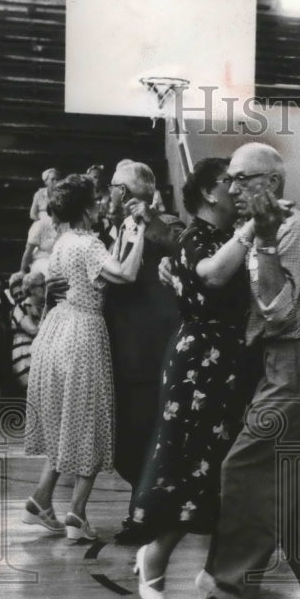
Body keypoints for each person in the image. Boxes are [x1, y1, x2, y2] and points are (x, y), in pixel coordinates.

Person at [175, 142, 300, 599]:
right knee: (298, 486)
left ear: (271, 183)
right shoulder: (278, 228)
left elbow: (277, 309)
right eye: (229, 179)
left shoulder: (292, 229)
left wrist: (266, 242)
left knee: (245, 468)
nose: (230, 187)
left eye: (240, 178)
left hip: (297, 359)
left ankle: (231, 595)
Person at [129, 158, 261, 599]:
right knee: (191, 462)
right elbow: (213, 275)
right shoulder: (196, 238)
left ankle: (214, 570)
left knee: (224, 467)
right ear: (208, 192)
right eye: (231, 182)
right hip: (199, 362)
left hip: (230, 359)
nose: (237, 190)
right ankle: (155, 556)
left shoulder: (226, 237)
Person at [22, 175, 147, 540]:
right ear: (88, 208)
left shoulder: (62, 241)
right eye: (97, 200)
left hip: (55, 330)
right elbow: (126, 273)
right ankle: (76, 513)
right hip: (82, 332)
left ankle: (40, 500)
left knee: (66, 422)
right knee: (89, 420)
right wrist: (137, 229)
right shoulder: (88, 244)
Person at [103, 161, 184, 544]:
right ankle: (144, 507)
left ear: (134, 191)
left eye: (117, 186)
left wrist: (149, 217)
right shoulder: (118, 226)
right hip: (122, 342)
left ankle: (146, 513)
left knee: (144, 431)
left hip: (149, 346)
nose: (111, 192)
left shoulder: (165, 223)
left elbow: (180, 248)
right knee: (128, 434)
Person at [10, 270, 44, 389]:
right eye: (42, 285)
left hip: (41, 352)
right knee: (34, 389)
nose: (46, 288)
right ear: (32, 289)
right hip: (25, 352)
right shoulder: (20, 308)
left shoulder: (44, 306)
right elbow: (34, 331)